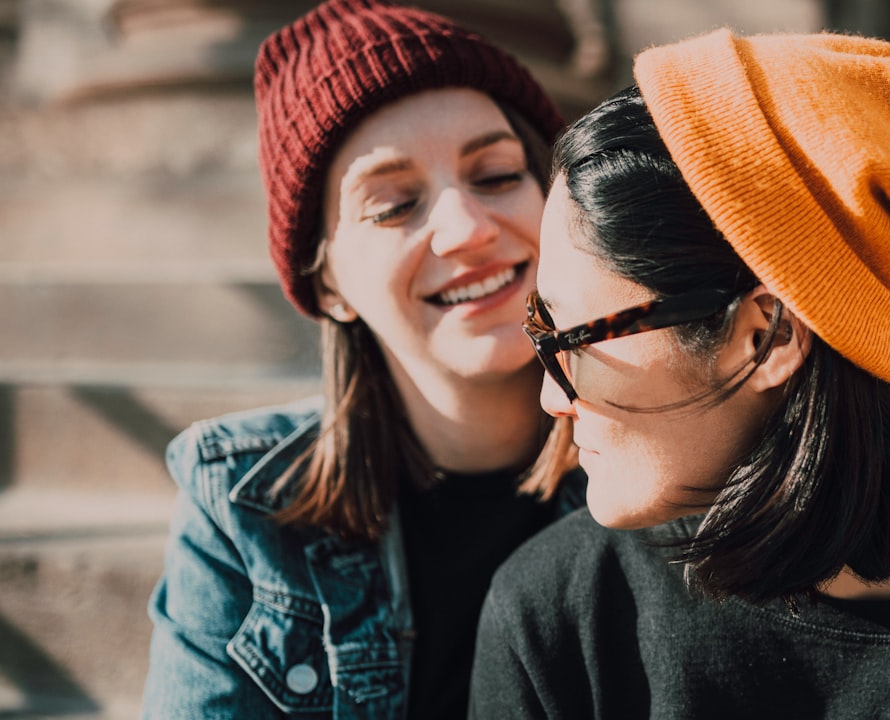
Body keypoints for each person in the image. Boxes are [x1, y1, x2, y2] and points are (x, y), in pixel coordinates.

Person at [469, 28, 890, 718]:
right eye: (542, 330)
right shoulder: (568, 611)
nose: (552, 396)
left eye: (574, 339)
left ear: (768, 335)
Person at [141, 1, 581, 717]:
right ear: (329, 284)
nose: (466, 229)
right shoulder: (245, 508)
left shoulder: (673, 460)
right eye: (394, 204)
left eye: (498, 174)